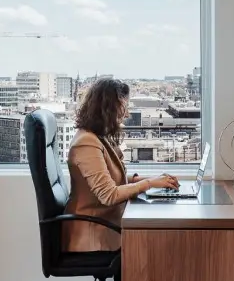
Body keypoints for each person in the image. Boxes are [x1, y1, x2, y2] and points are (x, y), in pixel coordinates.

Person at [63, 78, 179, 251]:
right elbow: (108, 195)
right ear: (107, 108)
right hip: (94, 233)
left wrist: (150, 179)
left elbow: (113, 177)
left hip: (107, 222)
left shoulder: (98, 136)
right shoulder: (86, 142)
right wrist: (149, 184)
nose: (126, 115)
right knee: (161, 244)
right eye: (122, 108)